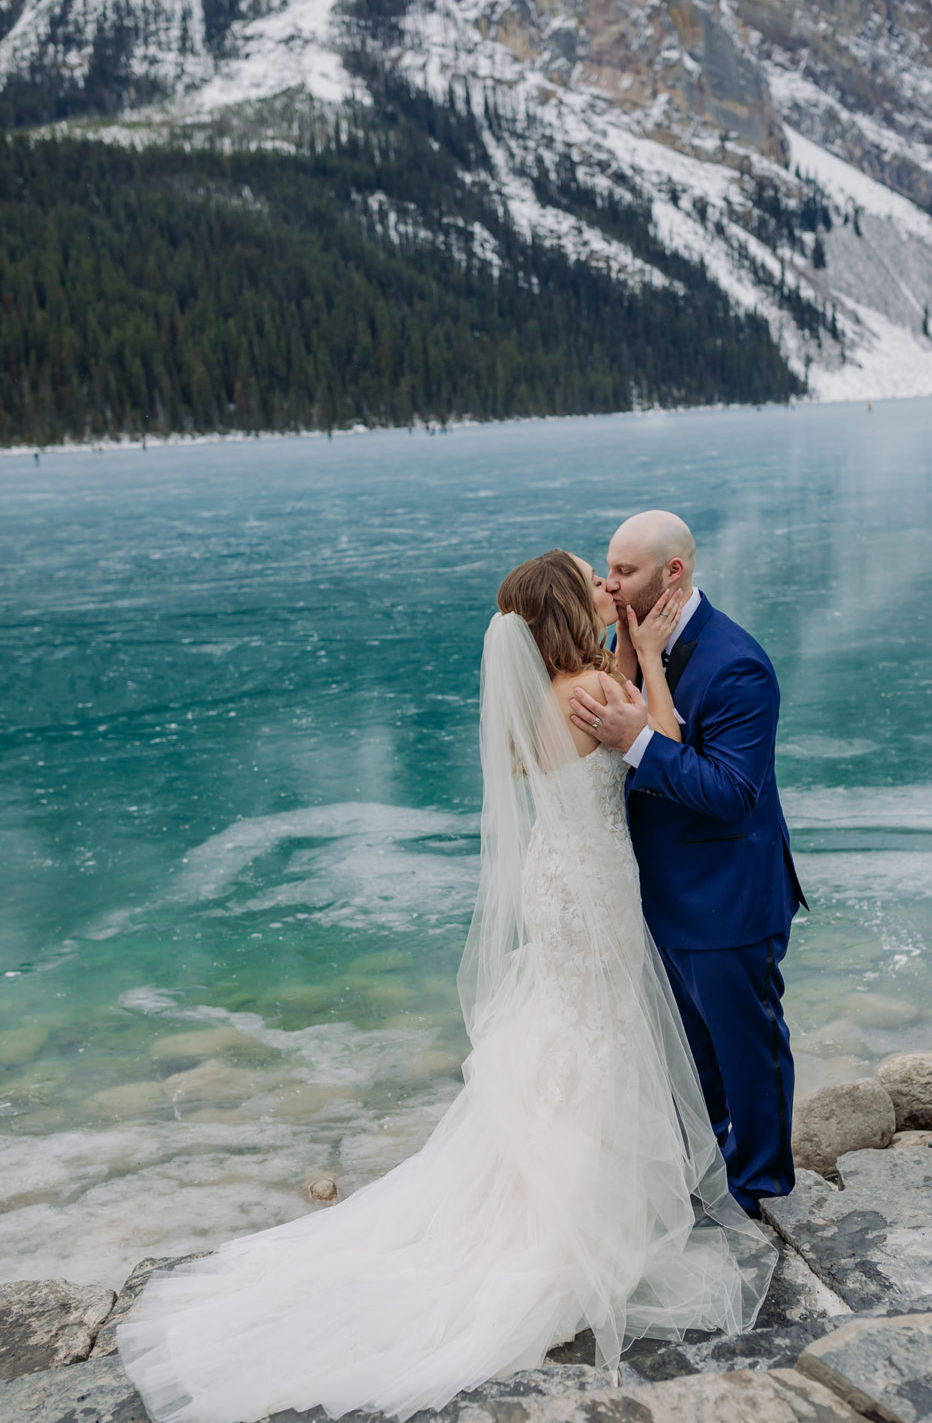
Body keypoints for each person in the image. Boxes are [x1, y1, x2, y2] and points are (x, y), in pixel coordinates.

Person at [117, 549, 775, 1423]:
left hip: (556, 875)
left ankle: (554, 1184)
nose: (607, 588)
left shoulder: (540, 690)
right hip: (597, 884)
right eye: (593, 582)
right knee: (604, 1030)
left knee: (565, 1022)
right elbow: (668, 739)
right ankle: (582, 1213)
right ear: (571, 609)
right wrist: (649, 658)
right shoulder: (599, 688)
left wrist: (614, 651)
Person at [569, 513, 806, 1215]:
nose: (611, 584)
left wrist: (638, 741)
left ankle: (761, 1196)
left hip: (726, 900)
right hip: (655, 899)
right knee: (691, 1064)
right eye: (608, 569)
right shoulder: (623, 641)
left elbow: (734, 795)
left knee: (747, 1056)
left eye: (626, 571)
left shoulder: (737, 664)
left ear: (673, 573)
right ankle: (706, 1187)